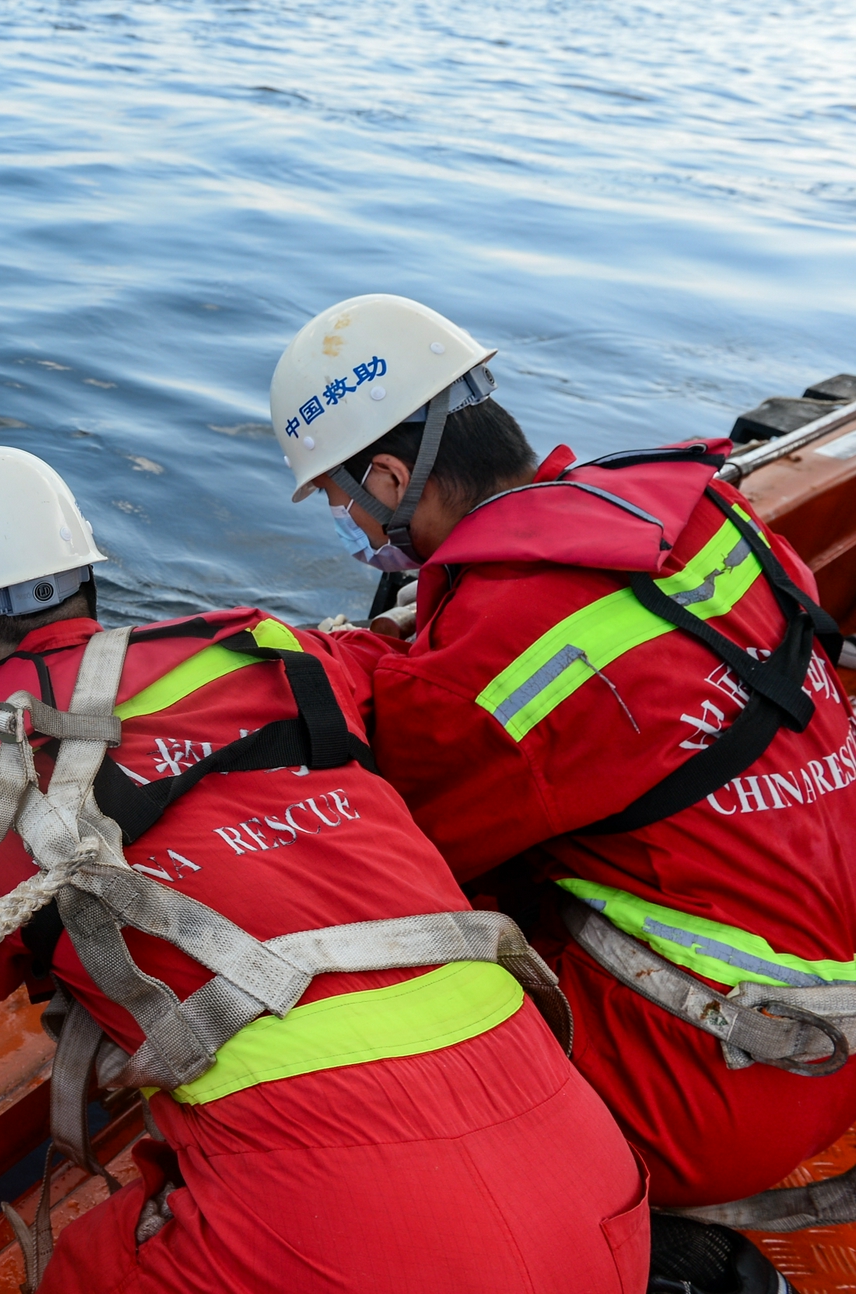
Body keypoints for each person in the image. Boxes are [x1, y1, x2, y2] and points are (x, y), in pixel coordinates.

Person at [0, 445, 646, 1293]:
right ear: (85, 582)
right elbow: (376, 675)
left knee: (80, 1268)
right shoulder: (279, 651)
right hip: (598, 1197)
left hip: (339, 1238)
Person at [271, 294, 856, 1280]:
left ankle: (659, 1258)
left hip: (713, 1088)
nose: (348, 527)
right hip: (819, 1021)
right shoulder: (694, 512)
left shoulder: (500, 657)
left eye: (341, 503)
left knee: (345, 1040)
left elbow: (391, 854)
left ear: (385, 477)